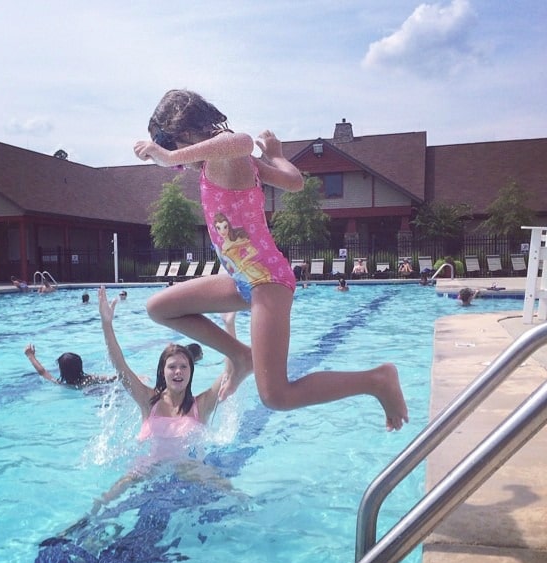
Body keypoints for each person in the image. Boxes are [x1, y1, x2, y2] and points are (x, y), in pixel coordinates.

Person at [133, 89, 408, 431]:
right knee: (159, 307)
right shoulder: (221, 161)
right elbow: (293, 181)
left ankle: (376, 380)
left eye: (172, 151)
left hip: (268, 282)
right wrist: (277, 156)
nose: (177, 162)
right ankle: (241, 355)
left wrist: (162, 154)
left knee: (277, 396)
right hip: (242, 280)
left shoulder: (228, 154)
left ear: (184, 133)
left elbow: (242, 141)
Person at [93, 286, 228, 505]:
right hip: (148, 468)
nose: (178, 372)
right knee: (105, 500)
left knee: (233, 494)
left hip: (190, 470)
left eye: (184, 367)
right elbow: (120, 366)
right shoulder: (149, 402)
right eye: (172, 366)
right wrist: (106, 324)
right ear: (162, 372)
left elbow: (230, 372)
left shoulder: (199, 406)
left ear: (191, 373)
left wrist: (229, 326)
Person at [24, 344, 116, 388]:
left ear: (61, 370)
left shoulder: (62, 384)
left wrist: (30, 356)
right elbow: (113, 378)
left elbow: (42, 372)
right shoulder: (90, 379)